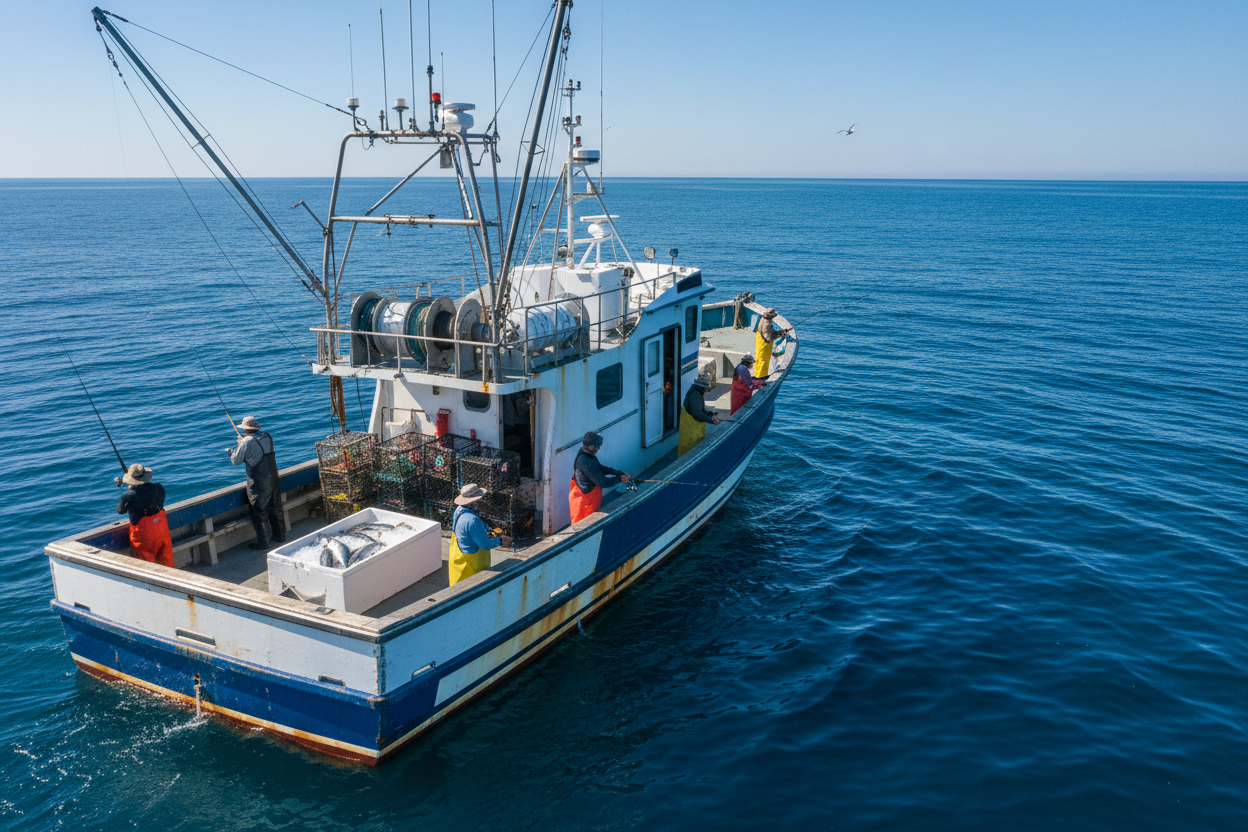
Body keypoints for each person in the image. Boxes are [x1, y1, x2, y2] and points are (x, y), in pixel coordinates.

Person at [227, 415, 285, 551]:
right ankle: (280, 536)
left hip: (259, 482)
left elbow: (236, 460)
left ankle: (264, 543)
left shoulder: (246, 441)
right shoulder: (267, 436)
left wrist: (236, 447)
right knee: (276, 507)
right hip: (273, 479)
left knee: (259, 511)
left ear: (246, 429)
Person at [449, 483, 511, 585]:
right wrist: (500, 540)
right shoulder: (473, 520)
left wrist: (485, 526)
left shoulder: (458, 511)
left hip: (458, 565)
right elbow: (485, 545)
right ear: (472, 501)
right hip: (471, 568)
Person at [116, 463, 175, 567]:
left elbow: (120, 510)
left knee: (146, 567)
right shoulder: (158, 487)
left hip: (143, 536)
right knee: (166, 563)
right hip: (161, 530)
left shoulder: (129, 495)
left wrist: (130, 489)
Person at [569, 431, 632, 524]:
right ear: (590, 446)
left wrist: (619, 473)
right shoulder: (585, 462)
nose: (598, 448)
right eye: (597, 446)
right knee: (583, 525)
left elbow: (600, 468)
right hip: (584, 504)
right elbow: (603, 482)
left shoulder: (588, 454)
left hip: (590, 500)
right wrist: (620, 479)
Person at [679, 375, 720, 457]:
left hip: (691, 430)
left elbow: (699, 410)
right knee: (689, 453)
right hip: (690, 431)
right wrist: (711, 420)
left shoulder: (695, 392)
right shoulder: (695, 395)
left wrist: (710, 414)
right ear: (702, 387)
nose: (707, 388)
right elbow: (697, 414)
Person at [754, 308, 790, 378]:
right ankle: (760, 378)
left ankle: (757, 375)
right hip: (764, 344)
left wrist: (781, 332)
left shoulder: (764, 319)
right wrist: (780, 335)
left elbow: (771, 332)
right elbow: (769, 338)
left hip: (760, 342)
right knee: (763, 361)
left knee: (759, 360)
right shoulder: (767, 323)